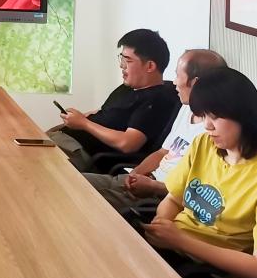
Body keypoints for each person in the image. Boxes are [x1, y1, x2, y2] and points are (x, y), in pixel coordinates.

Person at [145, 67, 257, 278]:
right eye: (204, 116)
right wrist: (161, 225)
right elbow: (173, 199)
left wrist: (181, 241)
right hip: (172, 252)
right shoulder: (203, 145)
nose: (207, 126)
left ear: (242, 115)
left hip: (204, 273)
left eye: (215, 116)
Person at [83, 49, 227, 213]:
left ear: (195, 83)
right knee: (72, 181)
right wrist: (135, 175)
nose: (174, 82)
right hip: (145, 182)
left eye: (178, 75)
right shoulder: (186, 108)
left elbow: (200, 196)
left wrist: (154, 187)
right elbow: (163, 152)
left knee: (80, 197)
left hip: (161, 199)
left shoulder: (215, 133)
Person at [47, 28, 179, 171]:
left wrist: (84, 123)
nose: (121, 65)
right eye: (121, 58)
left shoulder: (157, 100)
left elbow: (127, 143)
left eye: (128, 60)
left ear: (150, 66)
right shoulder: (128, 88)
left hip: (78, 151)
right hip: (62, 139)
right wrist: (74, 120)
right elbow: (102, 113)